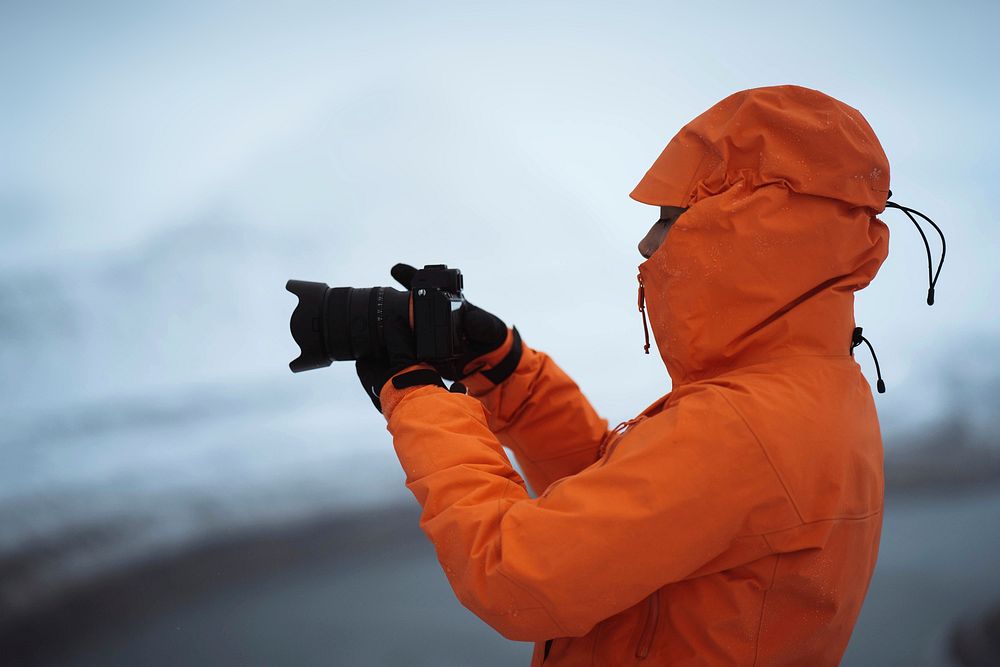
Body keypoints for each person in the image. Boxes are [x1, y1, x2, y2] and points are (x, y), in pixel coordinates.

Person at [356, 84, 892, 666]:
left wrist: (419, 399)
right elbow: (623, 517)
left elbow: (516, 575)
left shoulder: (742, 426)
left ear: (755, 238)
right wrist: (511, 377)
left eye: (672, 219)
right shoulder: (815, 390)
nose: (646, 242)